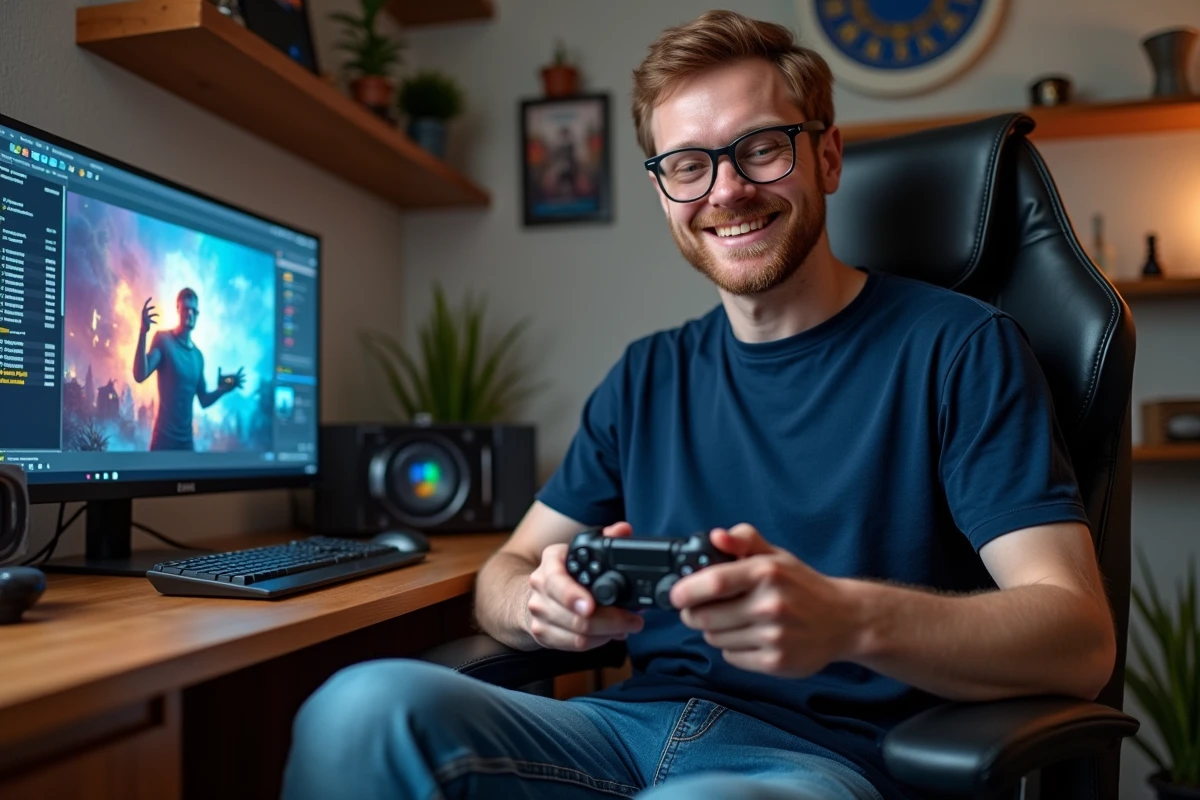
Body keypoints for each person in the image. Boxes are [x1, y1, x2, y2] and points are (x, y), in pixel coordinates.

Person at [281, 11, 1116, 800]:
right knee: (357, 709)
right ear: (664, 191)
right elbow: (504, 572)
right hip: (616, 733)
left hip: (825, 764)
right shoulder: (647, 374)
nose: (726, 190)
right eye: (688, 164)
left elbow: (1078, 638)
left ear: (826, 158)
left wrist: (851, 620)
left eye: (760, 149)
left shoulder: (961, 348)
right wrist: (544, 608)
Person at [132, 288, 245, 451]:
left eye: (194, 311)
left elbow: (203, 400)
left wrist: (225, 388)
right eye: (186, 309)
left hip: (186, 444)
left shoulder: (198, 357)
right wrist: (143, 332)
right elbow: (140, 374)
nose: (190, 314)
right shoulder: (163, 340)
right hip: (163, 442)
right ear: (178, 309)